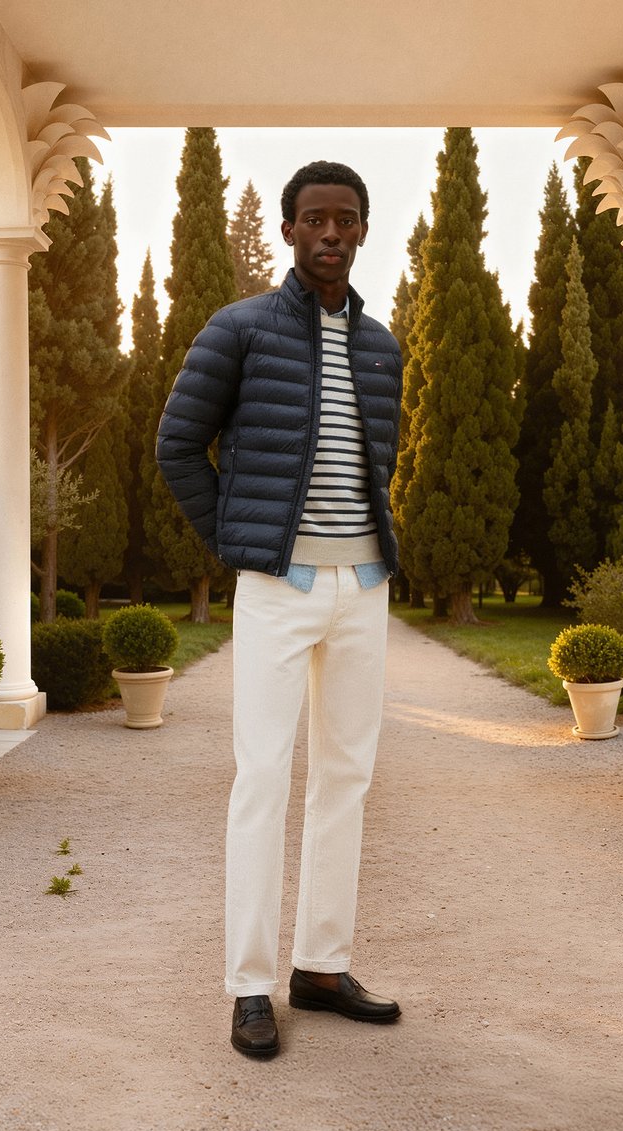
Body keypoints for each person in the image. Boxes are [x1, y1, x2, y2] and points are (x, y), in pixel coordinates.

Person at [157, 161, 403, 1059]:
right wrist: (235, 540)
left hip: (363, 588)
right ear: (291, 231)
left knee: (347, 776)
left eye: (344, 219)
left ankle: (321, 967)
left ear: (363, 231)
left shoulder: (382, 348)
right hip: (276, 587)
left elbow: (376, 463)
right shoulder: (239, 330)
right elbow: (177, 444)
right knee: (262, 779)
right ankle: (250, 984)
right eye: (313, 219)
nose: (329, 233)